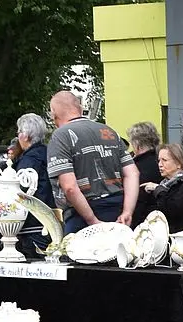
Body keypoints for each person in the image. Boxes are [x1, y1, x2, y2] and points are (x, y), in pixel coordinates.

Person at [47, 90, 138, 232]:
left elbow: (69, 187)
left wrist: (92, 221)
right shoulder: (109, 131)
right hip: (117, 211)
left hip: (82, 217)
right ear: (80, 108)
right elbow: (133, 173)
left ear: (54, 115)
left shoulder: (60, 137)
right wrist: (128, 211)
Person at [9, 112, 56, 257]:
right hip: (50, 219)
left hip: (33, 223)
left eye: (19, 133)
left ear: (25, 136)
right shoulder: (50, 153)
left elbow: (19, 191)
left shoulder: (29, 161)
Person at [143, 143, 183, 230]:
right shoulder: (162, 184)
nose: (160, 164)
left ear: (179, 163)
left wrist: (159, 190)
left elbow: (173, 209)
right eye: (159, 160)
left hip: (182, 235)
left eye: (164, 160)